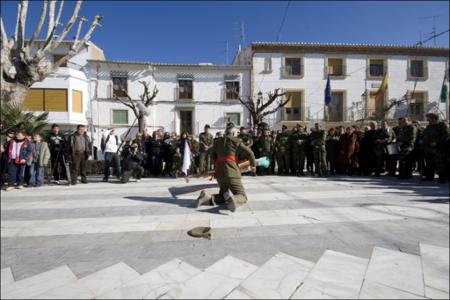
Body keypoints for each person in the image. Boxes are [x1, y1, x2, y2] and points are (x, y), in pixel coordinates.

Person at [196, 122, 256, 212]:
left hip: (220, 173)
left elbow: (212, 156)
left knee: (223, 195)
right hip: (232, 173)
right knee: (242, 196)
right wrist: (253, 165)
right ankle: (234, 200)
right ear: (232, 133)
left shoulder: (217, 142)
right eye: (236, 133)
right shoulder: (236, 141)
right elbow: (250, 153)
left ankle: (206, 197)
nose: (237, 135)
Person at [422, 113, 449, 183]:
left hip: (438, 149)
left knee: (439, 163)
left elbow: (446, 135)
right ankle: (429, 177)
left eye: (428, 118)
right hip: (428, 149)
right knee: (429, 163)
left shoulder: (441, 125)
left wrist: (436, 142)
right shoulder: (429, 126)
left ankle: (442, 178)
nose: (427, 120)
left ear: (434, 118)